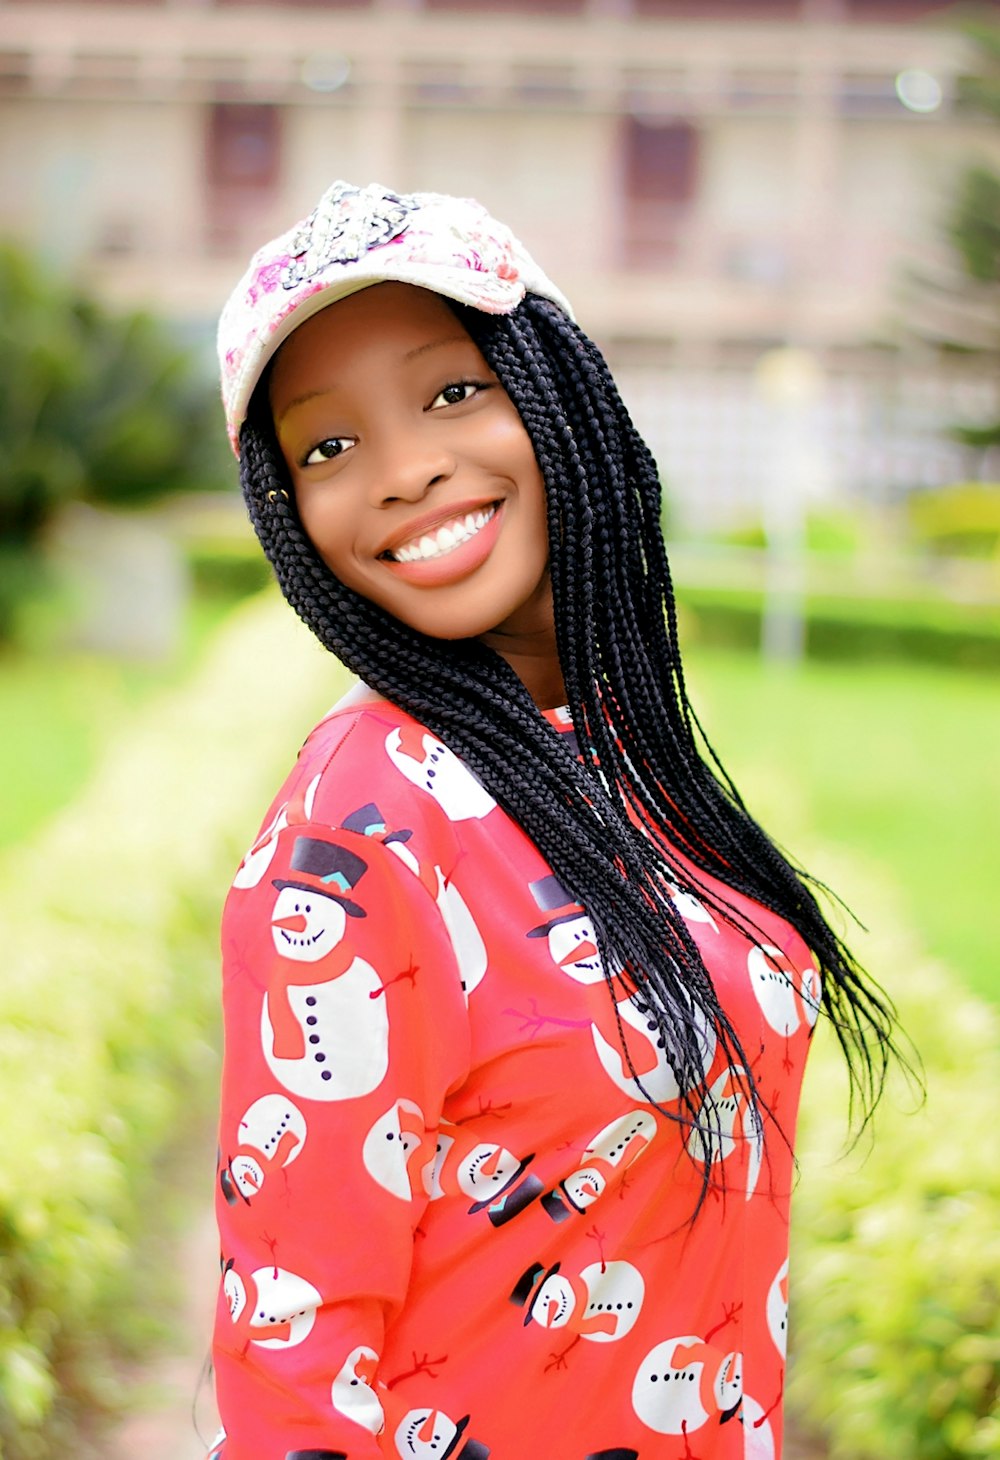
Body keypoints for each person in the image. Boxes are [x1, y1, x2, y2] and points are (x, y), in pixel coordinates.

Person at [209, 180, 899, 1460]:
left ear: (560, 388)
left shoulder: (625, 755)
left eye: (453, 391)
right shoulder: (360, 831)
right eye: (327, 446)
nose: (406, 468)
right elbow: (292, 1348)